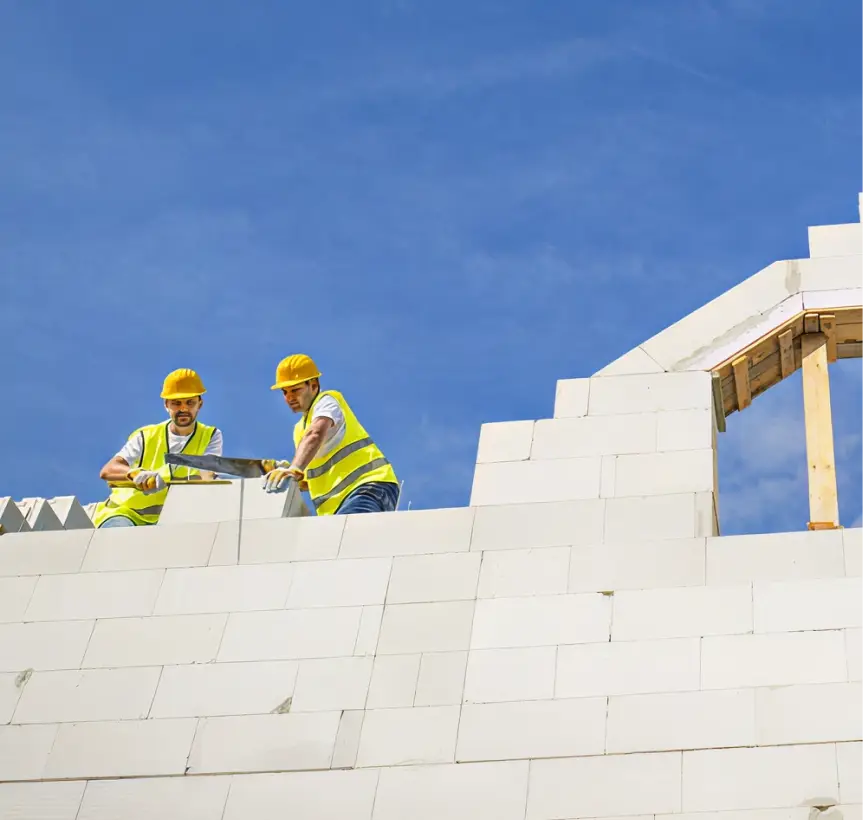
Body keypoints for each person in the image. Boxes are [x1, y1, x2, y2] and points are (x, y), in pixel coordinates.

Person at [262, 354, 400, 515]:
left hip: (367, 486)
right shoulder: (299, 429)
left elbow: (316, 433)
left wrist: (293, 469)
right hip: (338, 505)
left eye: (295, 390)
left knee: (351, 536)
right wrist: (287, 475)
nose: (289, 397)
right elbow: (308, 481)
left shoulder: (327, 401)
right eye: (284, 392)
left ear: (313, 385)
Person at [92, 368, 223, 528]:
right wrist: (135, 474)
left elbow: (208, 475)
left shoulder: (211, 436)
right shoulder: (146, 436)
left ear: (199, 404)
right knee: (120, 542)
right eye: (176, 403)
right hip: (124, 513)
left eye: (190, 402)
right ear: (166, 405)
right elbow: (108, 470)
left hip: (169, 519)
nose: (183, 409)